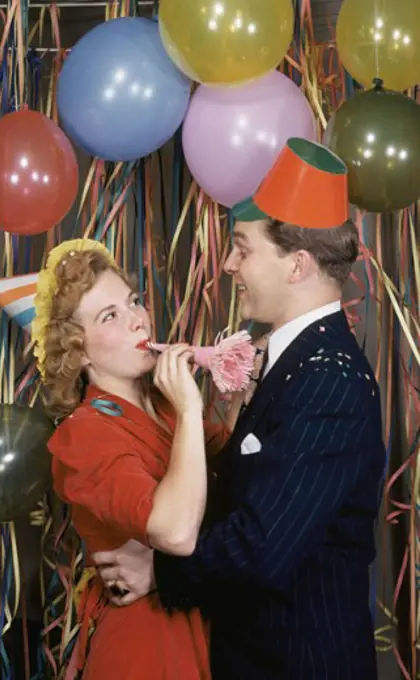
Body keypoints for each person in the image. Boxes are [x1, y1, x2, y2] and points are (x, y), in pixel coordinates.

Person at [92, 139, 386, 680]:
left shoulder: (327, 381)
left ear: (296, 265)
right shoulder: (293, 360)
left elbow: (262, 545)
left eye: (243, 249)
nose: (227, 265)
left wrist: (155, 570)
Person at [31, 238, 228, 679]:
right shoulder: (85, 433)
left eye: (133, 302)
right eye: (111, 316)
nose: (138, 320)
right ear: (78, 350)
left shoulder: (165, 410)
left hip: (212, 633)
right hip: (148, 652)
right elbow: (176, 532)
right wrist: (193, 409)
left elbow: (248, 492)